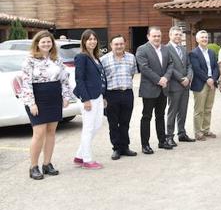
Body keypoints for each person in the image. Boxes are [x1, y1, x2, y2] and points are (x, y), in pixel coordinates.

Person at [20, 30, 72, 180]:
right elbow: (26, 83)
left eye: (49, 41)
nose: (46, 44)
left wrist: (66, 96)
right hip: (38, 99)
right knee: (39, 133)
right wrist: (32, 103)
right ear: (37, 43)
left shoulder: (57, 59)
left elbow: (64, 79)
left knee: (51, 131)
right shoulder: (29, 60)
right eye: (43, 42)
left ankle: (47, 164)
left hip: (54, 97)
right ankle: (33, 166)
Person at [136, 26, 174, 154]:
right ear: (148, 37)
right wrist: (159, 80)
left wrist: (166, 78)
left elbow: (170, 64)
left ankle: (162, 141)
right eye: (154, 36)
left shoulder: (165, 49)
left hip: (163, 88)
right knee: (146, 116)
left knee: (160, 115)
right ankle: (145, 145)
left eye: (158, 36)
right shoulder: (142, 49)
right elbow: (144, 68)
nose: (157, 38)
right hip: (149, 89)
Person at [100, 35, 138, 160]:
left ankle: (125, 147)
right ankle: (116, 148)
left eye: (121, 44)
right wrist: (104, 97)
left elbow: (132, 74)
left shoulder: (131, 58)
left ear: (125, 44)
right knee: (113, 123)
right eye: (116, 44)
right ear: (111, 45)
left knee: (125, 122)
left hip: (127, 93)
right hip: (111, 94)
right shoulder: (104, 59)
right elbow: (102, 79)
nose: (119, 46)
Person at [73, 29, 107, 170]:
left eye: (94, 39)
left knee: (97, 125)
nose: (92, 41)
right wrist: (85, 99)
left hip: (98, 96)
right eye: (89, 39)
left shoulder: (96, 57)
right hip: (88, 98)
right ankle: (87, 160)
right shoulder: (81, 57)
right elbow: (79, 79)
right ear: (84, 41)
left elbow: (100, 78)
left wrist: (103, 96)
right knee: (88, 129)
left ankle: (79, 155)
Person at [164, 26, 194, 146]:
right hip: (174, 85)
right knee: (173, 111)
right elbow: (168, 66)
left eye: (179, 35)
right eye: (175, 34)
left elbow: (189, 65)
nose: (178, 36)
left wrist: (188, 77)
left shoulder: (183, 48)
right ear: (170, 35)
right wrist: (181, 79)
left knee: (183, 110)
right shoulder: (166, 49)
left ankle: (182, 133)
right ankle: (169, 136)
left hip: (185, 85)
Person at [189, 30, 220, 140]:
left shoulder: (212, 52)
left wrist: (213, 78)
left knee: (208, 108)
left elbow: (216, 67)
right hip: (200, 84)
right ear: (197, 39)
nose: (204, 39)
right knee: (199, 110)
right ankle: (198, 132)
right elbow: (197, 69)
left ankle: (206, 130)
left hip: (212, 84)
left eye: (206, 37)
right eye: (202, 37)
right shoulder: (194, 53)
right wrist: (208, 79)